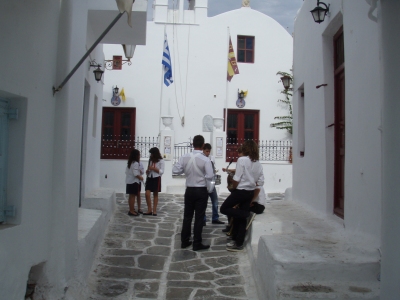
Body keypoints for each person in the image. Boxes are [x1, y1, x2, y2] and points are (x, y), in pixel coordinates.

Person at [220, 140, 264, 252]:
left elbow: (237, 177)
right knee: (240, 219)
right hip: (250, 192)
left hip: (241, 190)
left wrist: (234, 188)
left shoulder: (242, 160)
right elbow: (259, 181)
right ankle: (238, 243)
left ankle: (245, 213)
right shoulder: (257, 163)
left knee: (224, 208)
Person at [172, 135, 214, 251]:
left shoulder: (185, 157)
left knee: (187, 217)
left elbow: (175, 170)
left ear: (193, 144)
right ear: (202, 145)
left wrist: (186, 171)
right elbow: (210, 176)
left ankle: (184, 241)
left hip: (189, 189)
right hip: (201, 190)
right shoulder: (205, 159)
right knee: (199, 217)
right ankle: (197, 243)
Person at [202, 143, 225, 226]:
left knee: (215, 201)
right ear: (203, 150)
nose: (208, 153)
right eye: (206, 151)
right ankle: (203, 219)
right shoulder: (201, 159)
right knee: (204, 202)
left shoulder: (212, 158)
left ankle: (215, 218)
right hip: (204, 183)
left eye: (209, 151)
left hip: (211, 183)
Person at [144, 147, 164, 216]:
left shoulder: (161, 161)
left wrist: (154, 169)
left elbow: (162, 171)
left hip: (156, 177)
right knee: (147, 193)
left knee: (155, 194)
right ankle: (149, 209)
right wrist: (147, 171)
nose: (151, 155)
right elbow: (148, 168)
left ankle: (154, 210)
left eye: (152, 154)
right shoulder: (150, 160)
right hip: (150, 177)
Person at [125, 149, 144, 216]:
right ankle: (132, 210)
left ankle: (131, 209)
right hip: (134, 182)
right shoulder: (135, 163)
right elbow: (135, 174)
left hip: (129, 181)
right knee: (133, 196)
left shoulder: (130, 163)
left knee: (131, 196)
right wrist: (141, 177)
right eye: (139, 155)